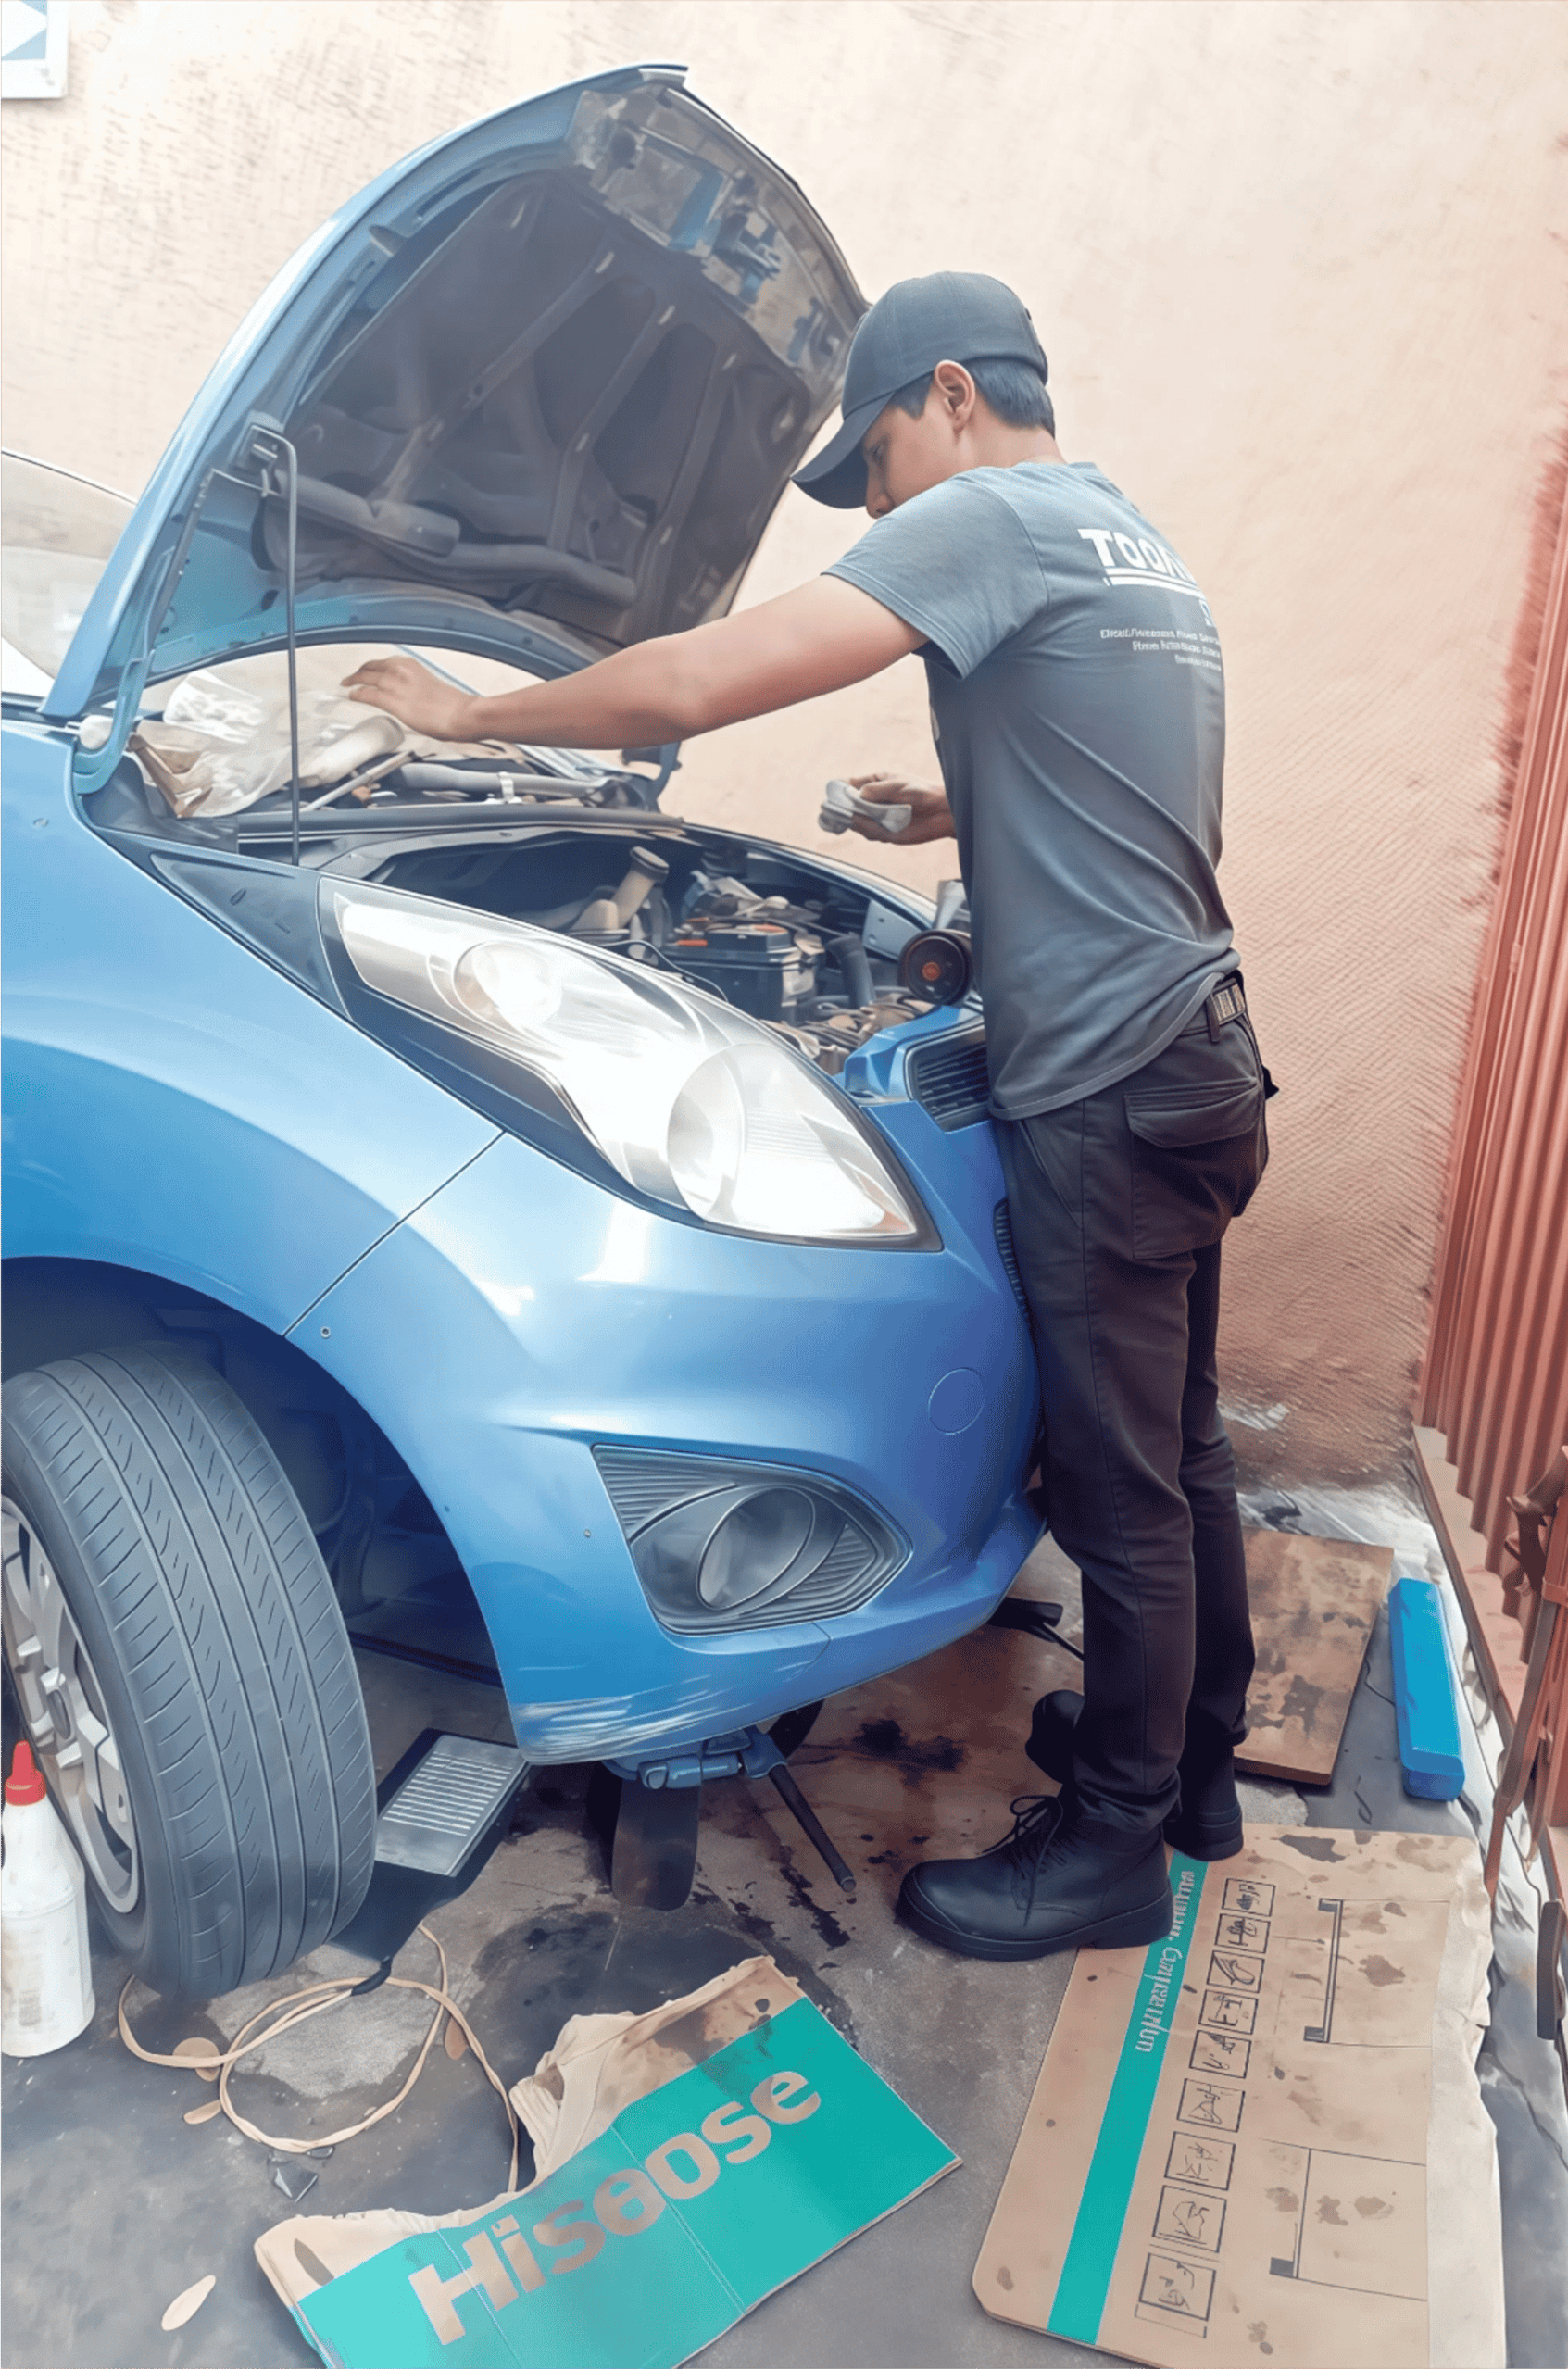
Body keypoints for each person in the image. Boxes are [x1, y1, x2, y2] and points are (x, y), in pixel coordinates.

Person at [346, 272, 1272, 1964]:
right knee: (1184, 1448)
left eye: (878, 466)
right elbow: (1130, 793)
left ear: (950, 394)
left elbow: (699, 686)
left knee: (1119, 1489)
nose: (880, 507)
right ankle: (1190, 1765)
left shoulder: (986, 516)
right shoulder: (1124, 535)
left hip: (1108, 1082)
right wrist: (956, 801)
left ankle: (1119, 1850)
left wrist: (468, 714)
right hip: (1202, 1057)